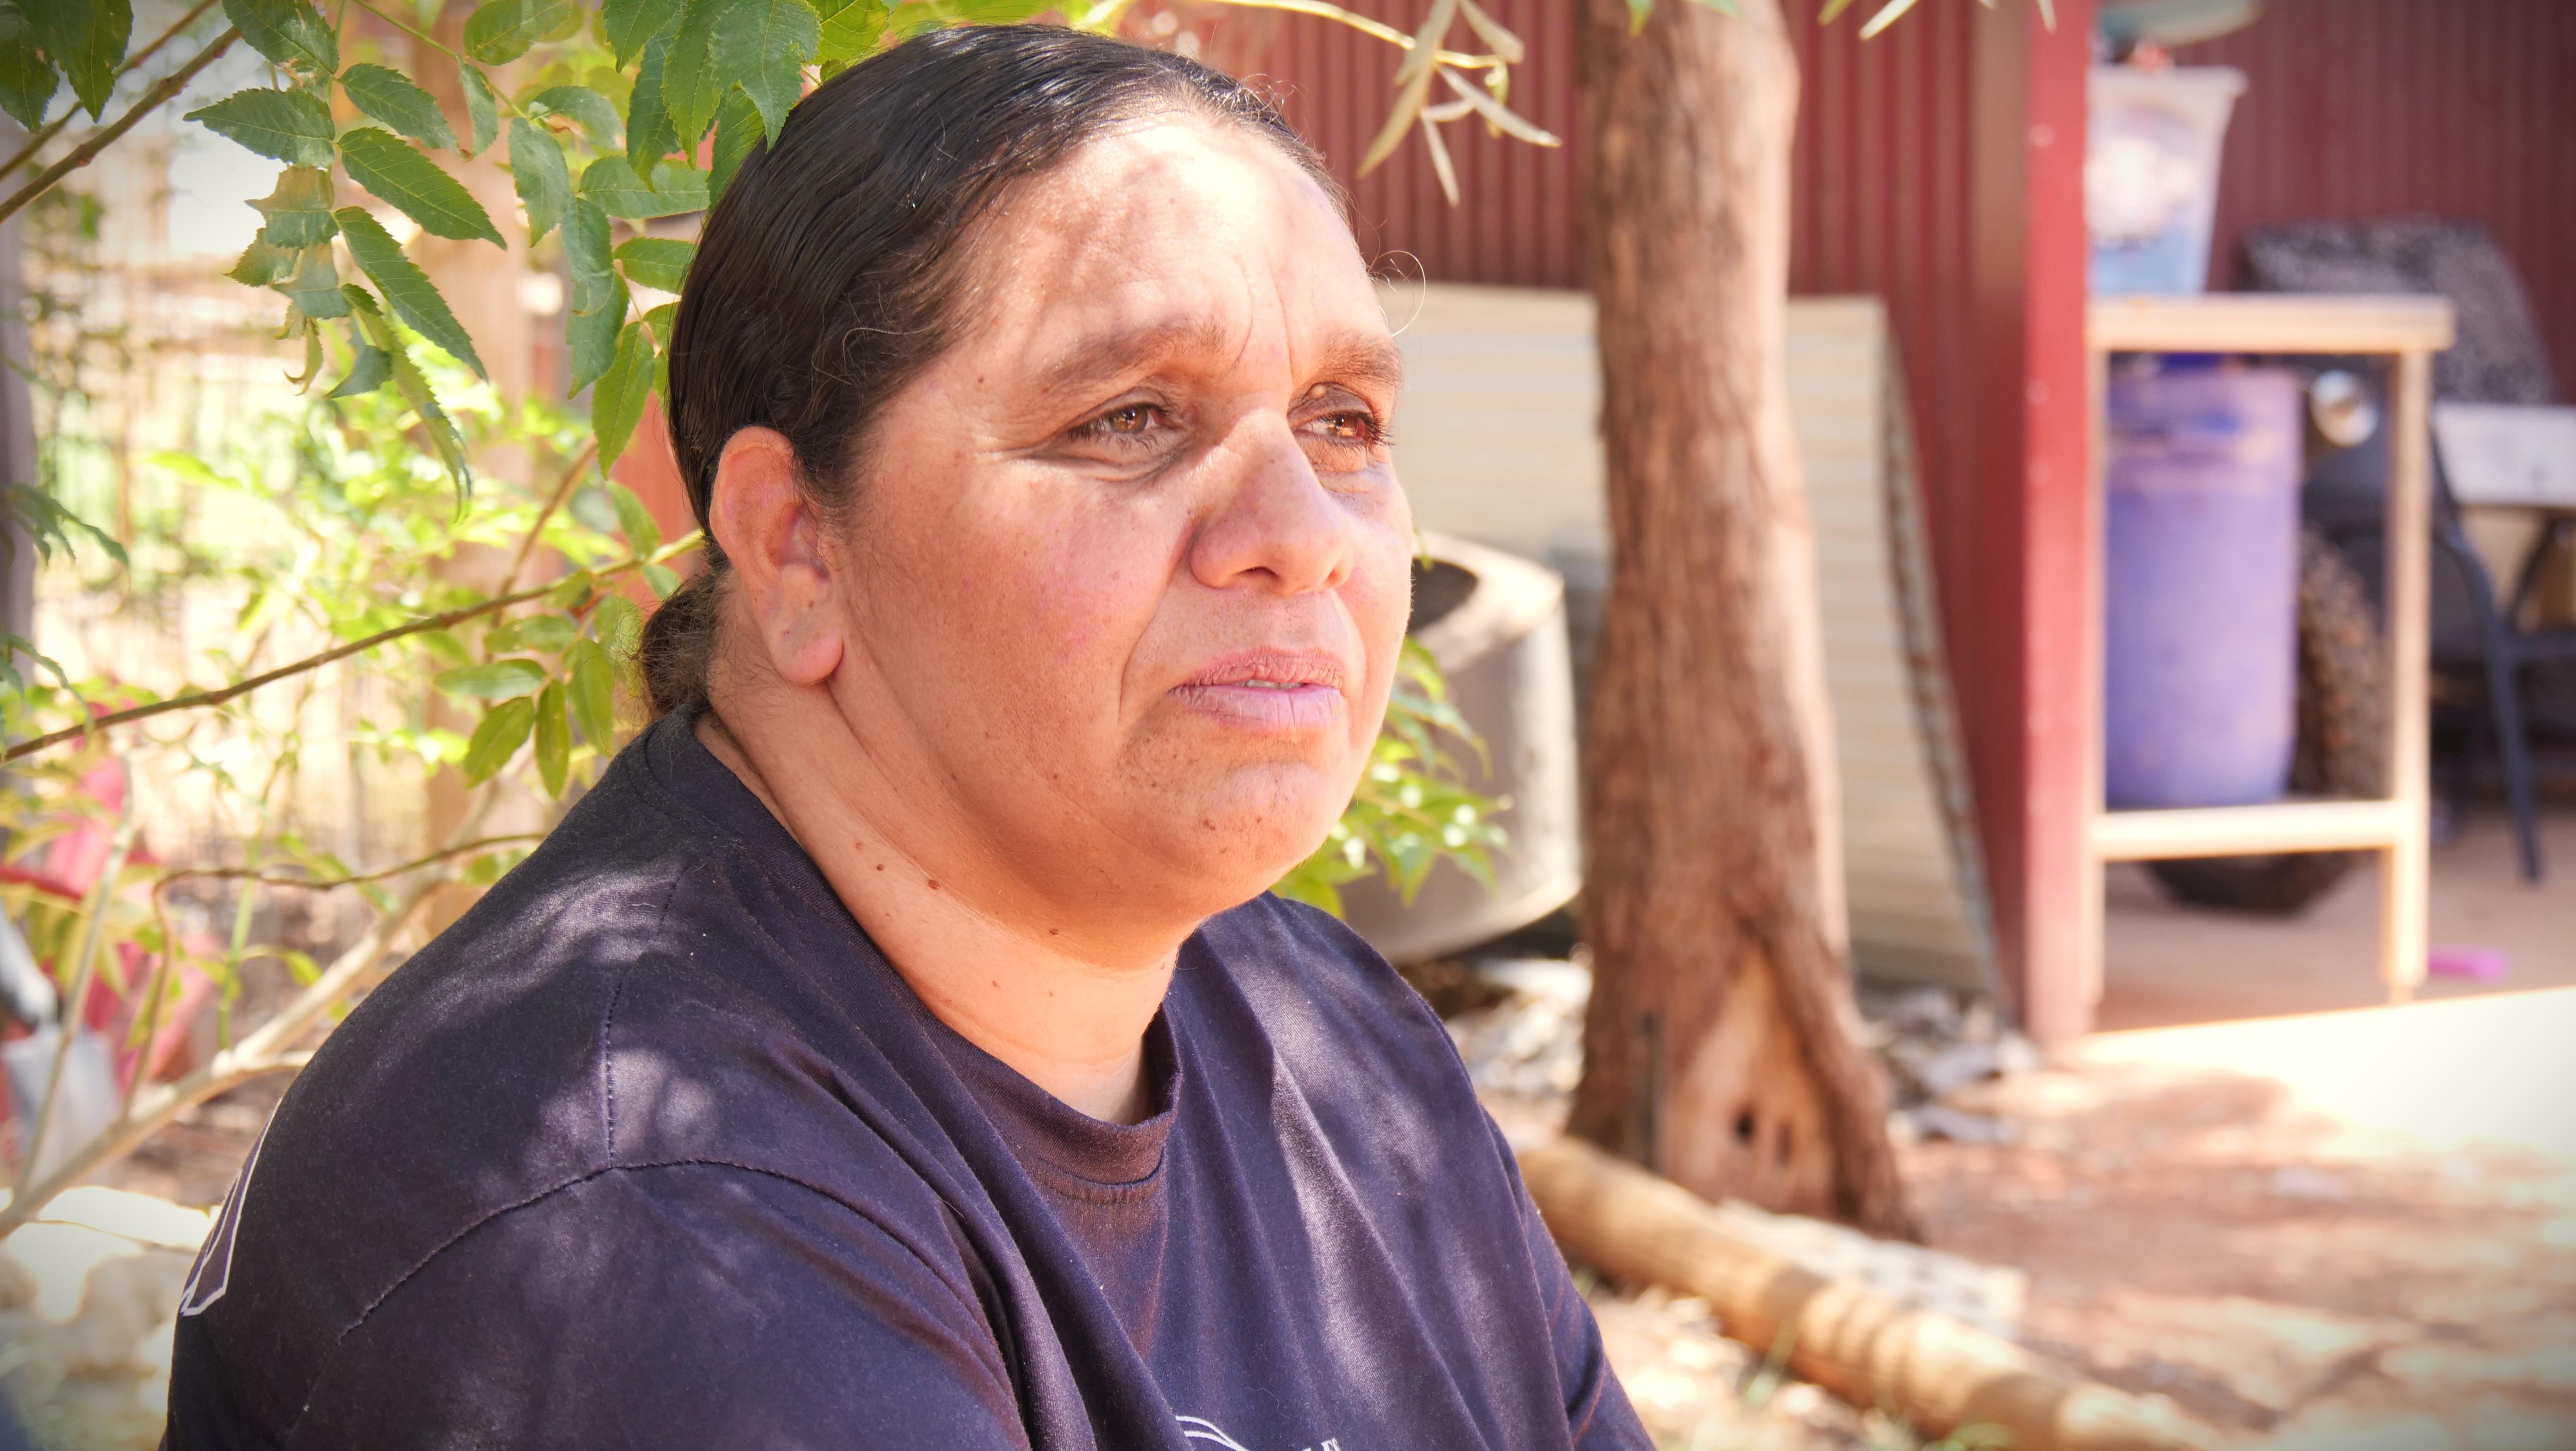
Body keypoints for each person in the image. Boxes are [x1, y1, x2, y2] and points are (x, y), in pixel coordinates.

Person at [163, 25, 1649, 1450]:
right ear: (798, 545)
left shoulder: (1335, 1032)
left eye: (1341, 421)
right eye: (1132, 418)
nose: (1300, 538)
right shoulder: (645, 1214)